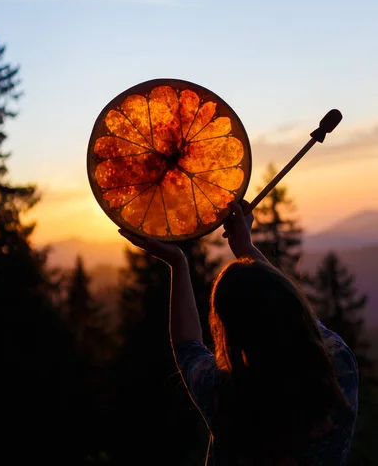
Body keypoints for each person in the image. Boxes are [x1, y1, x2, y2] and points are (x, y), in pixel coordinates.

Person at [118, 200, 359, 466]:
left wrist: (178, 263)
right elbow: (295, 313)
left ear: (228, 331)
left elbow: (187, 346)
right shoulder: (338, 367)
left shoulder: (225, 393)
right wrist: (246, 247)